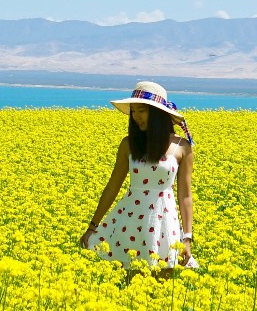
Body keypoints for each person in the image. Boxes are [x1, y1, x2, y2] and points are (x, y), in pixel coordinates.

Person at [79, 81, 198, 278]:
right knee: (130, 284)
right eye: (133, 111)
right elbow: (112, 187)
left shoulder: (182, 147)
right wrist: (93, 226)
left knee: (163, 285)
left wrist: (187, 238)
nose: (136, 117)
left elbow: (185, 195)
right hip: (130, 223)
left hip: (164, 224)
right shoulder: (128, 145)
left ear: (158, 114)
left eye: (141, 111)